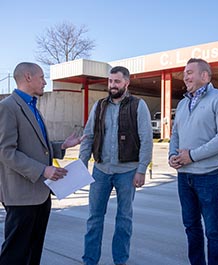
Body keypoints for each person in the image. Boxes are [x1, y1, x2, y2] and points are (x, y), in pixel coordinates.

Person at [0, 62, 84, 265]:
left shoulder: (33, 107)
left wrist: (61, 146)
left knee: (33, 250)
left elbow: (35, 146)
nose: (45, 82)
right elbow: (5, 151)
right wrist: (42, 170)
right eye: (41, 77)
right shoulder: (8, 107)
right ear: (28, 77)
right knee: (15, 253)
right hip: (20, 195)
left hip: (40, 193)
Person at [79, 66, 153, 265]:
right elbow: (88, 136)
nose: (112, 85)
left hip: (127, 172)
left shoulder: (138, 105)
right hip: (100, 171)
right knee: (94, 219)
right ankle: (89, 261)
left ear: (126, 83)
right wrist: (82, 162)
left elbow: (146, 139)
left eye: (117, 82)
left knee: (124, 221)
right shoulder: (99, 105)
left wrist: (141, 170)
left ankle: (120, 261)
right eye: (110, 81)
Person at [168, 58, 218, 265]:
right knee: (191, 227)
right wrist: (172, 155)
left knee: (213, 230)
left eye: (189, 72)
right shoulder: (182, 103)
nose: (185, 76)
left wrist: (192, 155)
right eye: (184, 72)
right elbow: (175, 133)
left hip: (208, 176)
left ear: (205, 76)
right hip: (184, 176)